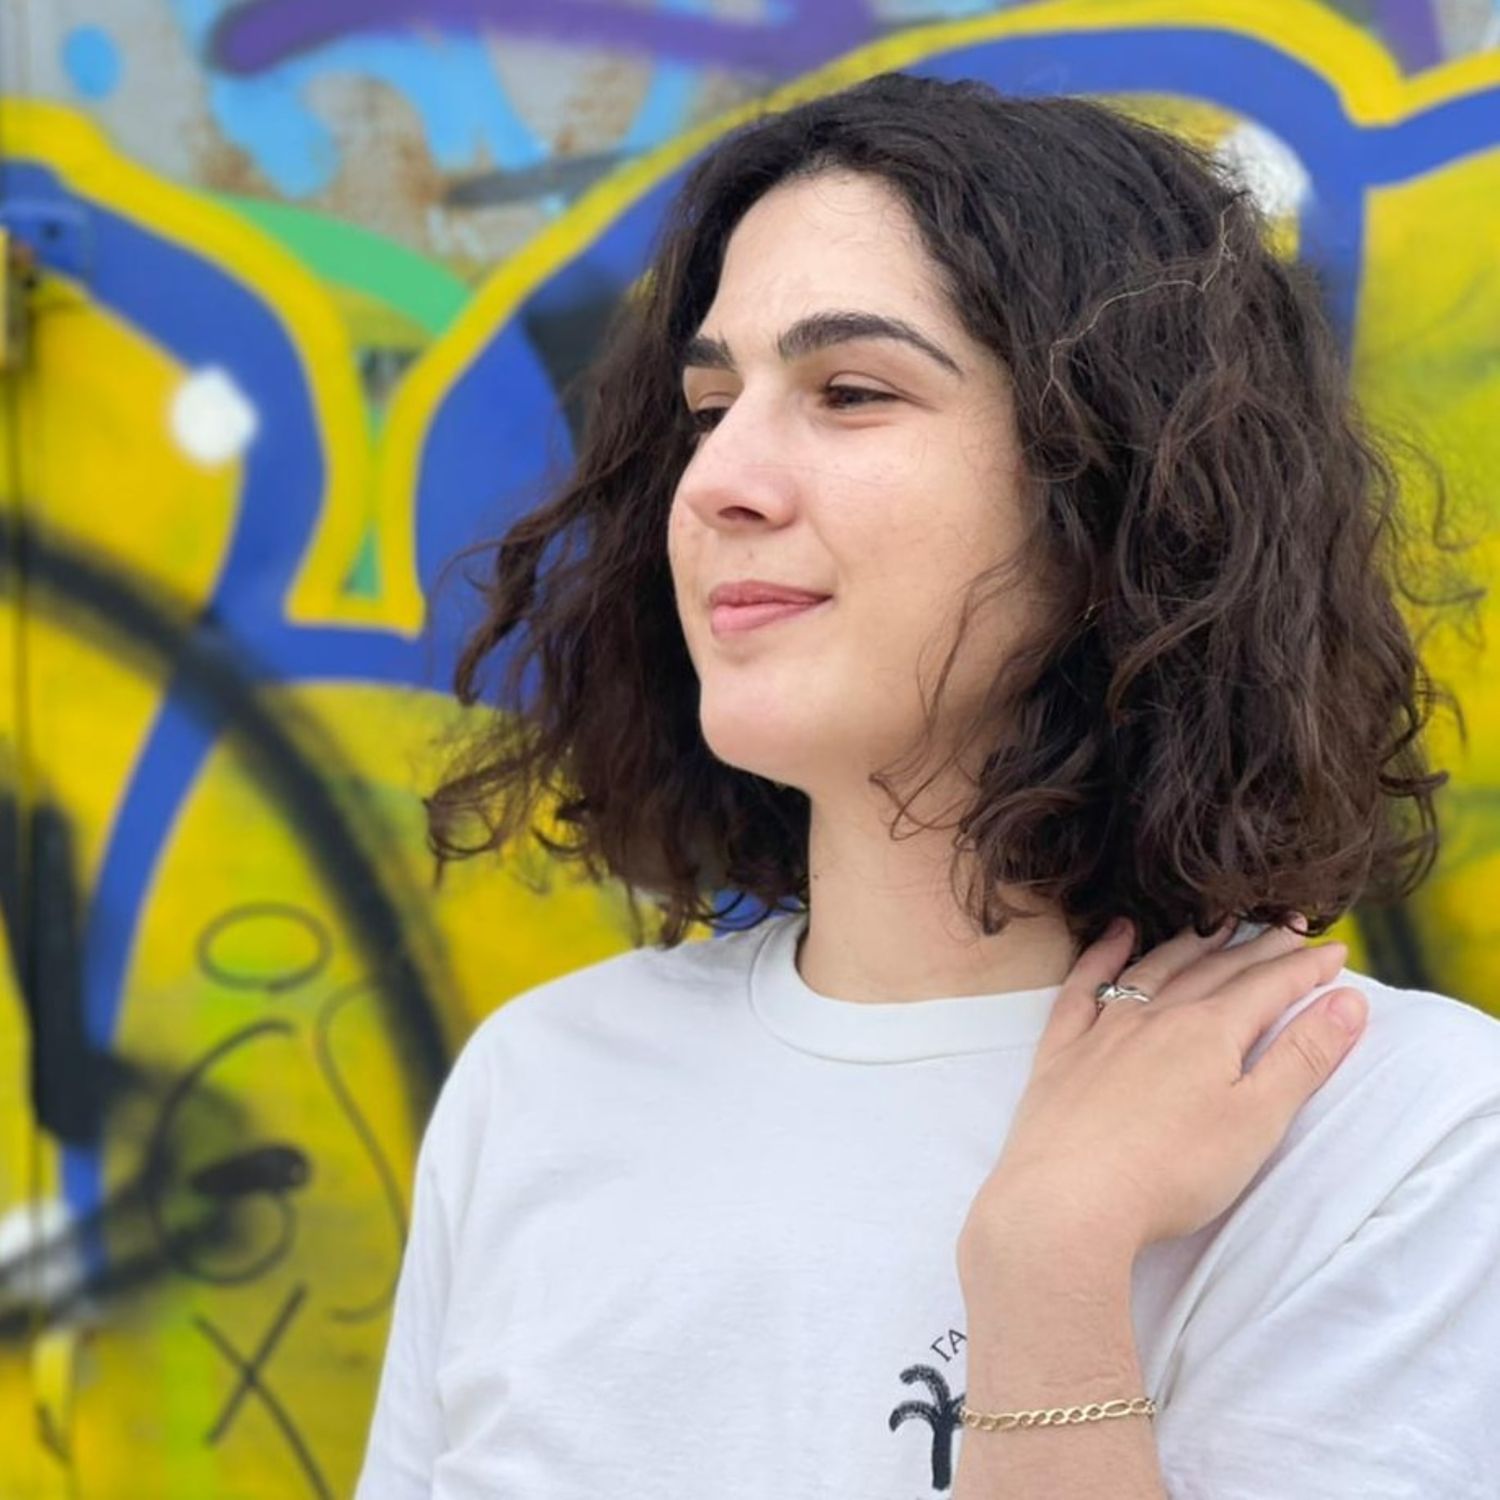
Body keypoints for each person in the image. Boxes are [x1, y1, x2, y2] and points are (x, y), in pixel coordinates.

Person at [355, 73, 1500, 1498]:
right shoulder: (541, 1087)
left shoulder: (1391, 1133)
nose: (717, 482)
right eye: (710, 406)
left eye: (852, 393)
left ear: (1115, 487)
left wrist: (1051, 1264)